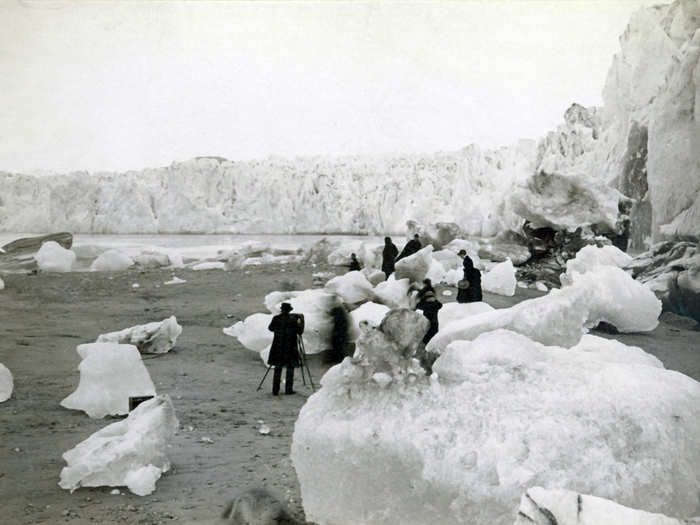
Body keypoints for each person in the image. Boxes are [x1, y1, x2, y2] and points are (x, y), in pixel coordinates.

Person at [267, 303, 304, 395]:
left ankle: (275, 390)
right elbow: (300, 331)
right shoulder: (293, 319)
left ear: (281, 310)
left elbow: (270, 328)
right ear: (289, 310)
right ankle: (288, 390)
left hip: (278, 346)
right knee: (290, 368)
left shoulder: (276, 318)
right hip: (290, 347)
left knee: (277, 368)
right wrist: (301, 320)